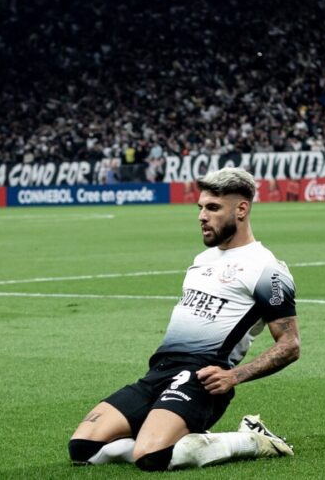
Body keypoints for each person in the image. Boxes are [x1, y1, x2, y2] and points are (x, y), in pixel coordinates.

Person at [68, 167, 300, 471]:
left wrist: (234, 376)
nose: (202, 216)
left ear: (242, 209)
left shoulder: (267, 269)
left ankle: (251, 440)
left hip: (200, 379)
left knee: (151, 457)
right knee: (83, 448)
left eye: (213, 208)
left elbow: (290, 344)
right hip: (158, 372)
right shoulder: (201, 261)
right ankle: (176, 438)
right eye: (201, 207)